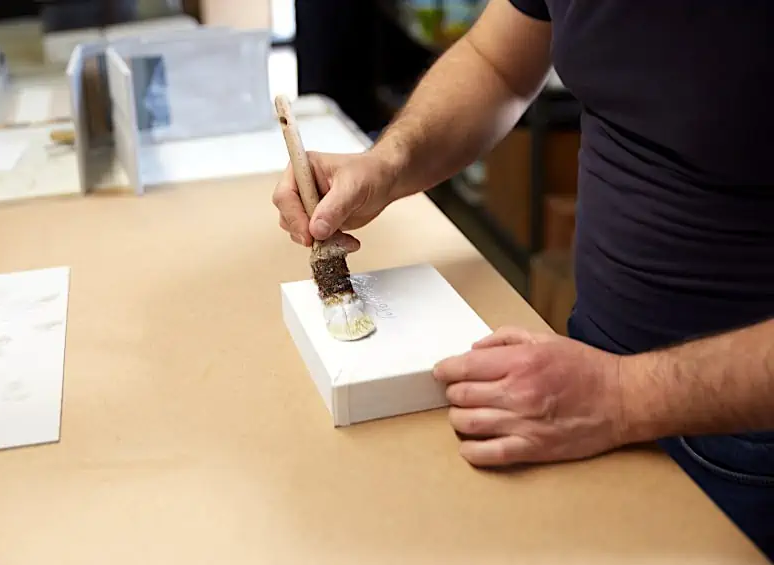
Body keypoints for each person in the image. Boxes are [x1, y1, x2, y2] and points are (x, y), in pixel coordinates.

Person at [272, 0, 774, 557]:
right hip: (589, 375)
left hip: (746, 435)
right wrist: (390, 162)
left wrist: (626, 396)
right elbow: (496, 63)